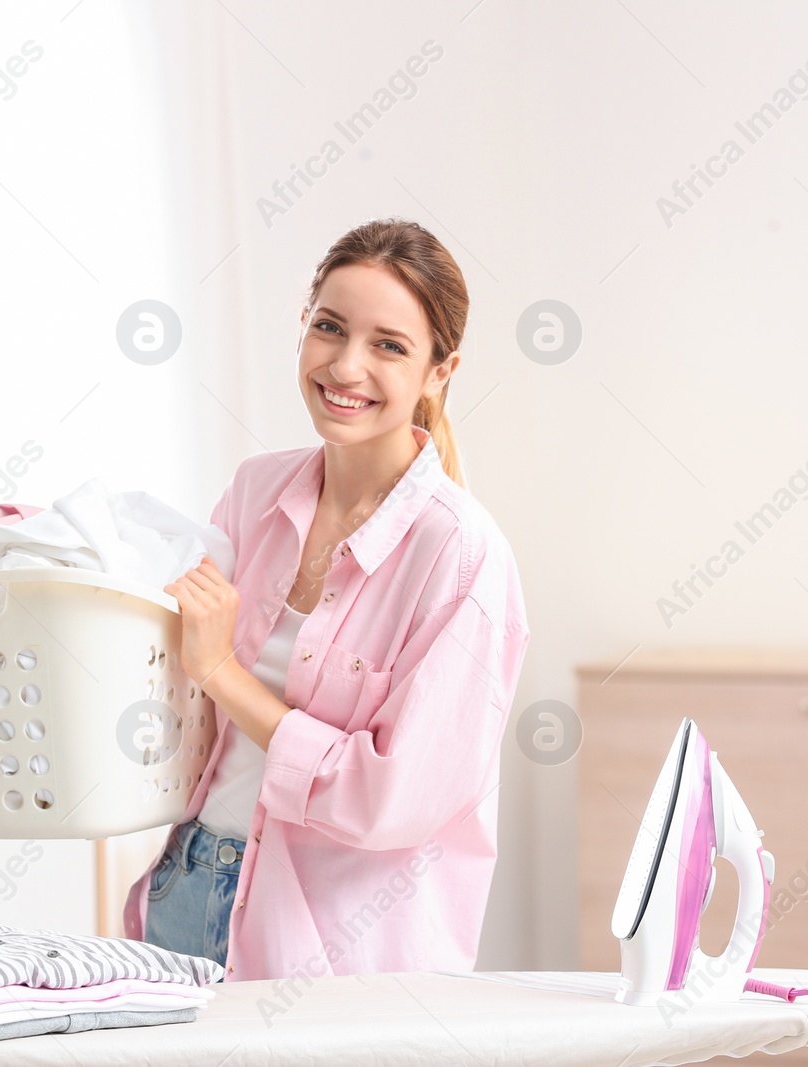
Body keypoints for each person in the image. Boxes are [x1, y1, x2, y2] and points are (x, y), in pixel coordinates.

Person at [122, 217, 530, 983]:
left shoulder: (463, 555)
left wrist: (221, 670)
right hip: (188, 888)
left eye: (389, 345)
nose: (345, 366)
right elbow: (188, 708)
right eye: (329, 328)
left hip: (336, 951)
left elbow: (390, 798)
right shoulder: (255, 492)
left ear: (441, 372)